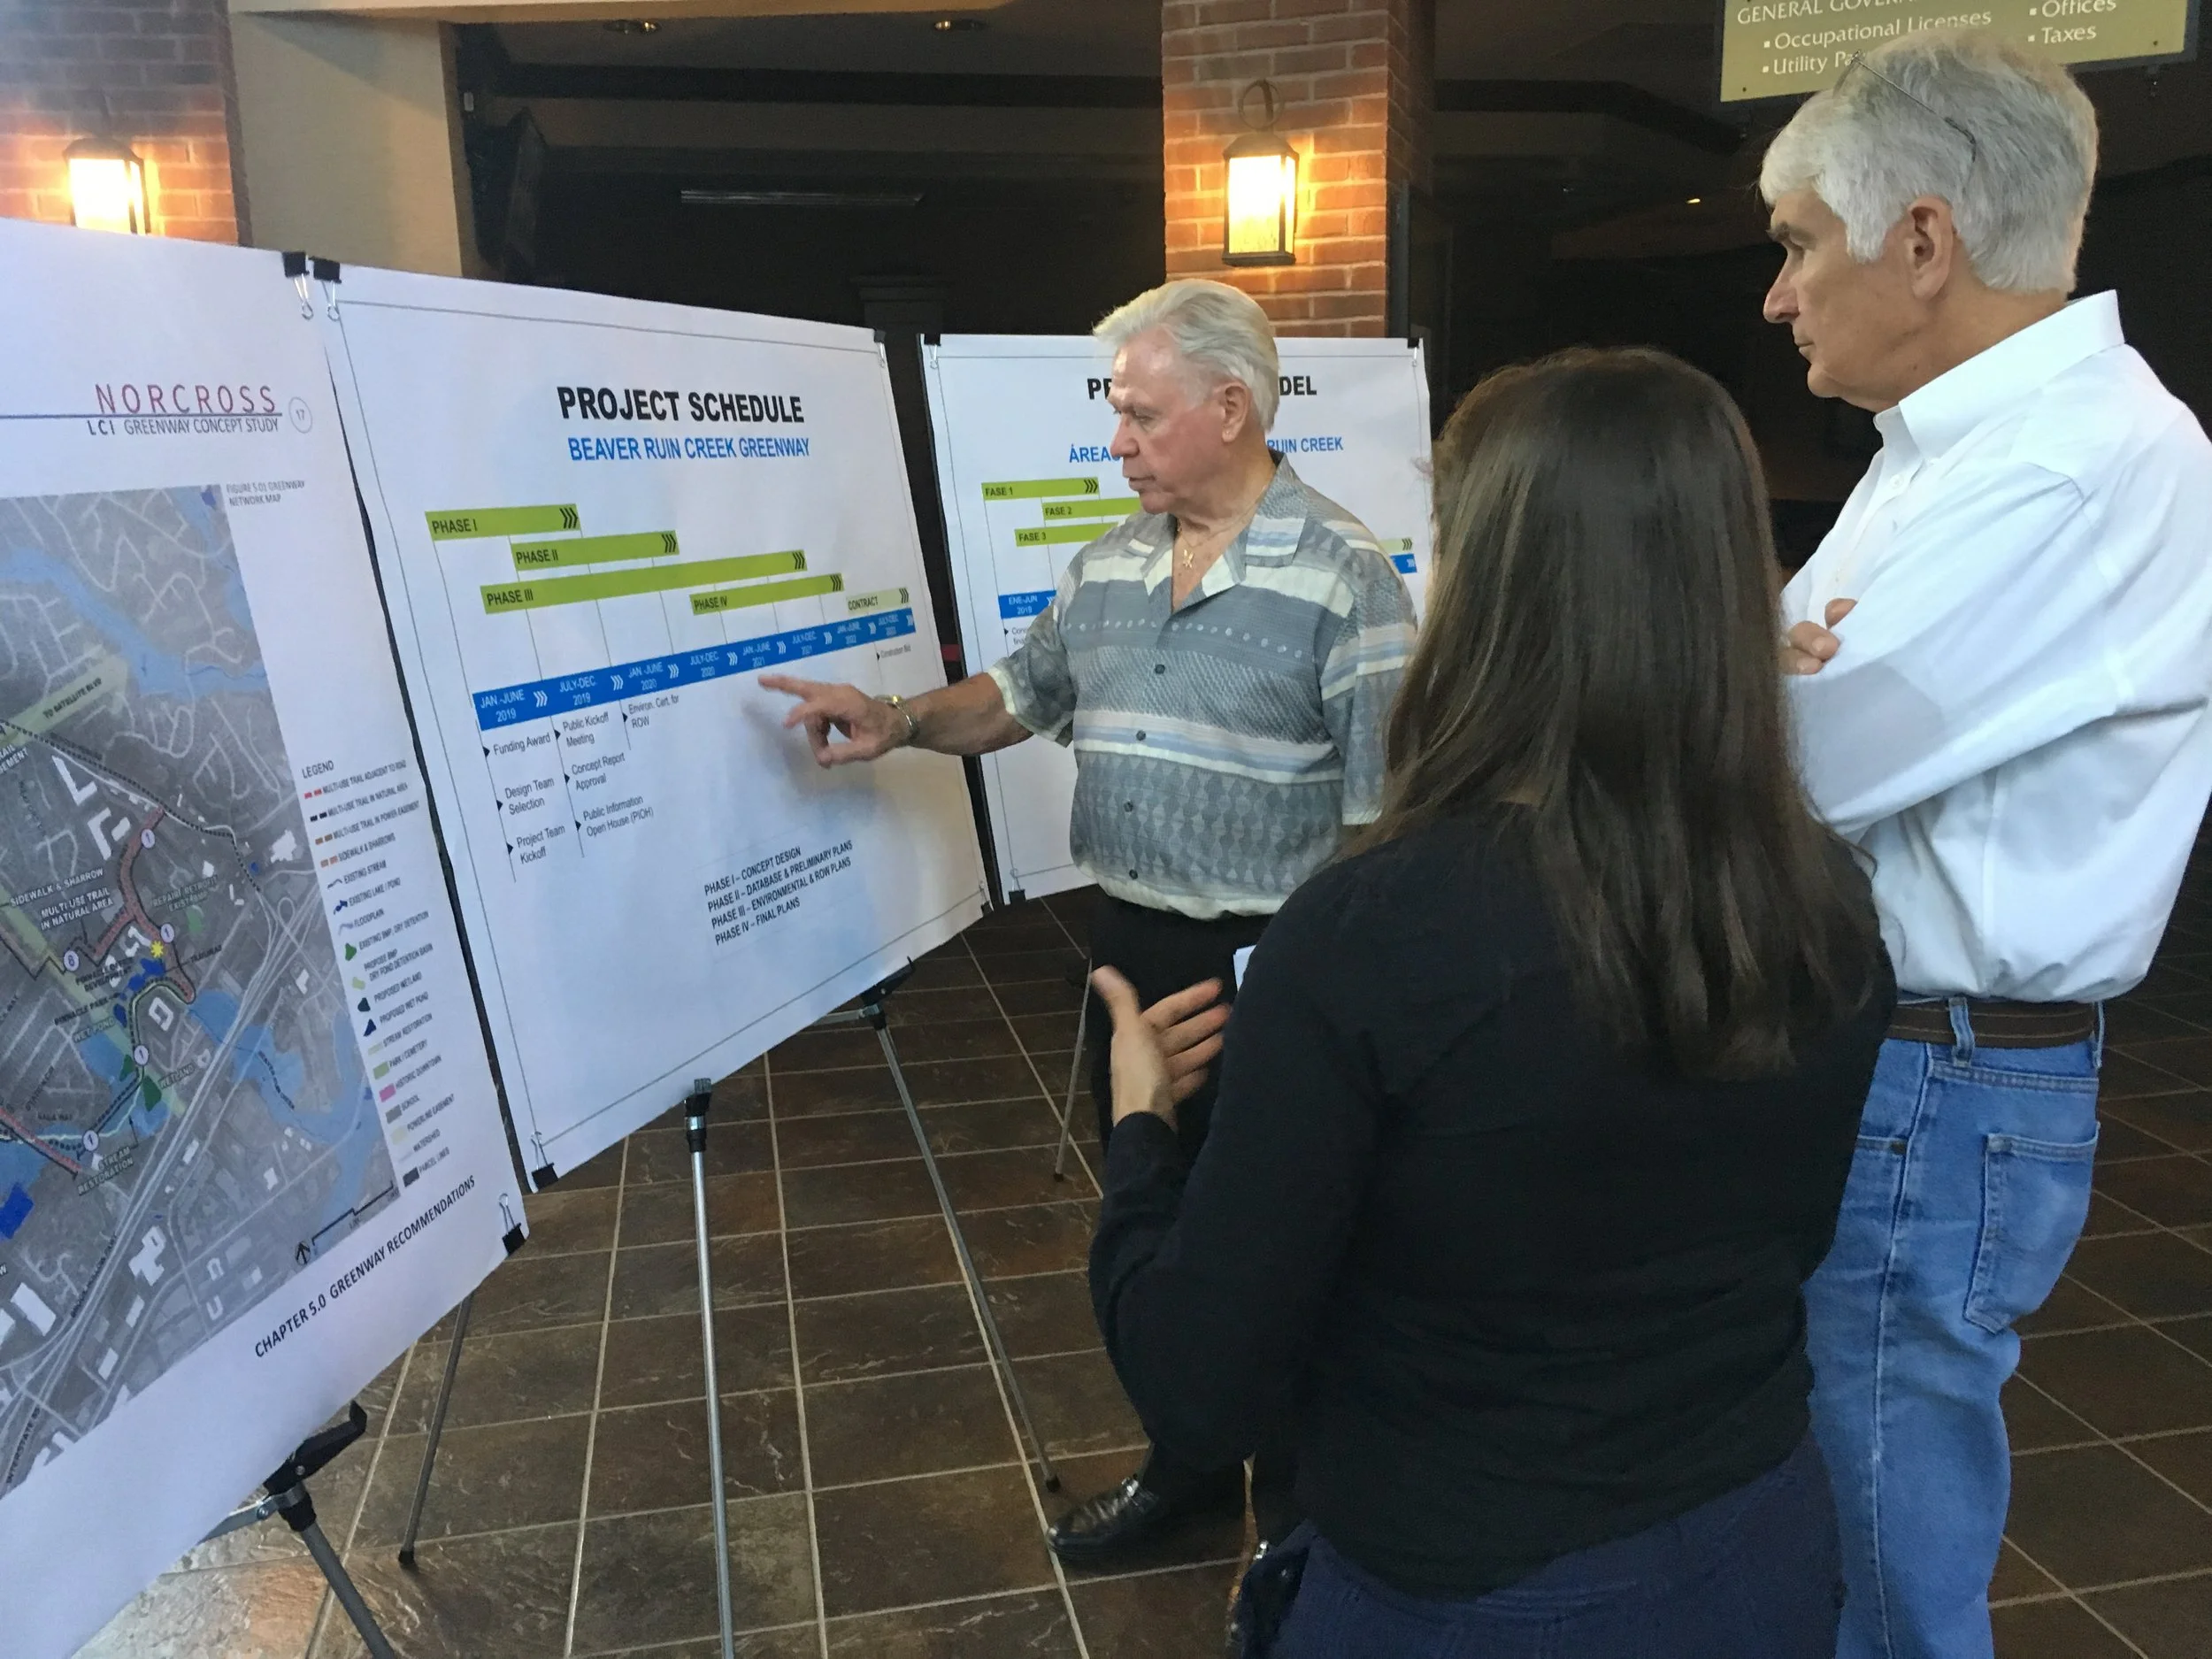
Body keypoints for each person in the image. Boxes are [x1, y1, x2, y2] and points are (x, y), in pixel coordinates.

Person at [1087, 348, 1895, 1658]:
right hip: (1759, 1548)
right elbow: (1776, 1240)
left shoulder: (1368, 937)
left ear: (1490, 587)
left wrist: (1141, 1136)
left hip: (1465, 1592)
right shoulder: (1825, 901)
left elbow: (1200, 1383)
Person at [761, 277, 1415, 1564]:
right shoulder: (1109, 564)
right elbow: (1020, 693)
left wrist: (1305, 991)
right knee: (1152, 1221)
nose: (1116, 442)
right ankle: (1185, 1462)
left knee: (1293, 1243)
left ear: (1232, 408)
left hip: (1272, 970)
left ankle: (1302, 1514)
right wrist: (897, 720)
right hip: (1128, 954)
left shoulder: (1347, 577)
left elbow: (1385, 825)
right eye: (1117, 415)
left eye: (1141, 415)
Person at [1761, 32, 2212, 1659]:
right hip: (1890, 1059)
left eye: (1799, 243)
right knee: (1819, 1518)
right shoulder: (1943, 454)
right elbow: (1770, 690)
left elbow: (1783, 760)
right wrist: (1757, 674)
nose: (1780, 293)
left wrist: (1748, 682)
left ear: (1924, 241)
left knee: (1879, 1563)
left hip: (1935, 1078)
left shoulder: (2074, 467)